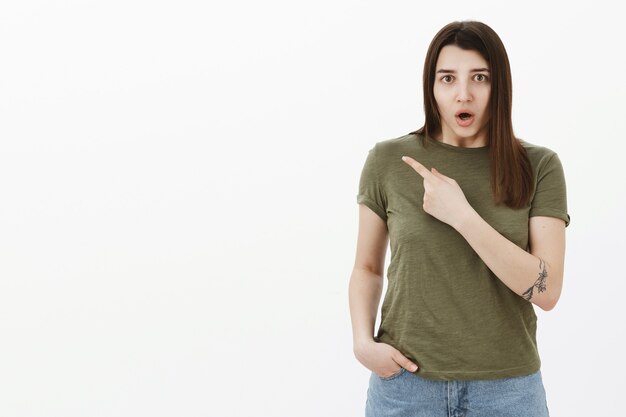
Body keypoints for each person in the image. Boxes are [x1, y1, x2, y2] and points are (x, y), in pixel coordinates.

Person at [348, 20, 570, 417]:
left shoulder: (538, 166)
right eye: (447, 78)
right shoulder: (387, 162)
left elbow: (547, 290)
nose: (463, 94)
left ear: (498, 85)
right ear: (430, 86)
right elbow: (367, 267)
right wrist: (363, 343)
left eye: (479, 78)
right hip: (405, 385)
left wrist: (462, 215)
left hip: (508, 391)